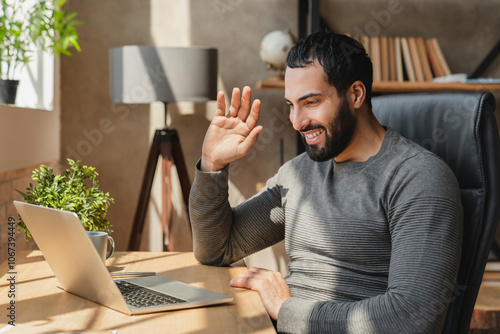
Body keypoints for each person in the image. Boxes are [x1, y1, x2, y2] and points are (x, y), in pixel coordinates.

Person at [189, 31, 463, 333]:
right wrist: (212, 164)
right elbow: (217, 249)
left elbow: (411, 319)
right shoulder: (299, 173)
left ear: (356, 94)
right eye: (291, 105)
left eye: (311, 102)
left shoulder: (417, 178)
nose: (297, 121)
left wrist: (285, 309)